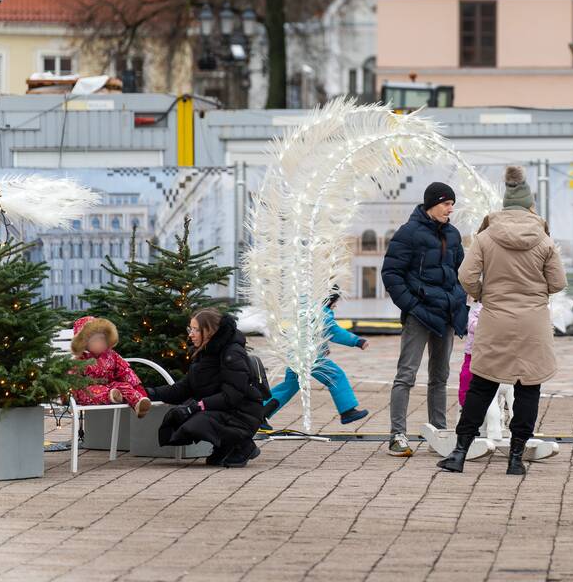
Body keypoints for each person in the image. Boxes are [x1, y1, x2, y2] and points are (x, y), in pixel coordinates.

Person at [440, 166, 567, 475]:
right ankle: (515, 458)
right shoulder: (544, 240)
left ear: (504, 205)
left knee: (482, 385)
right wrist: (536, 294)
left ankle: (459, 453)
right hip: (533, 321)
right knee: (528, 387)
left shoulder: (485, 237)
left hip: (495, 318)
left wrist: (485, 294)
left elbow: (465, 275)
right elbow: (558, 282)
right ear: (529, 206)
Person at [381, 181, 468, 457]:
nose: (450, 209)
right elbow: (391, 274)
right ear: (431, 204)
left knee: (440, 377)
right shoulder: (408, 233)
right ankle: (397, 435)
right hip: (419, 316)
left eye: (452, 204)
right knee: (406, 375)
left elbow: (461, 272)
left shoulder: (453, 234)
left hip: (446, 315)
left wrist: (458, 301)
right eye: (446, 203)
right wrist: (412, 305)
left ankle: (439, 433)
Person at [147, 308, 265, 467]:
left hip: (243, 411)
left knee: (198, 421)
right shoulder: (205, 352)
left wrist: (198, 406)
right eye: (190, 328)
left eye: (196, 329)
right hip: (224, 409)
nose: (191, 334)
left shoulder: (232, 353)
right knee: (178, 416)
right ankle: (225, 446)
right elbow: (184, 388)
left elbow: (232, 396)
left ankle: (244, 445)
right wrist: (148, 393)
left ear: (210, 331)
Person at [261, 287, 370, 429]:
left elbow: (313, 334)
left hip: (297, 355)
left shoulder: (308, 310)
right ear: (328, 301)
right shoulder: (322, 313)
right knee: (335, 376)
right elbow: (334, 332)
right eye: (334, 302)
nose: (335, 306)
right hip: (310, 358)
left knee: (289, 386)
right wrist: (357, 341)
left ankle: (259, 414)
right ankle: (347, 411)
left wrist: (323, 348)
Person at [70, 316, 152, 418]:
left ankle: (138, 402)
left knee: (123, 386)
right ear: (84, 343)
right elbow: (72, 378)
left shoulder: (111, 355)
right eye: (95, 340)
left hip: (111, 385)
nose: (100, 343)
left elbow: (125, 371)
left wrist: (137, 388)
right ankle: (111, 395)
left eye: (102, 339)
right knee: (91, 392)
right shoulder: (80, 359)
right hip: (87, 389)